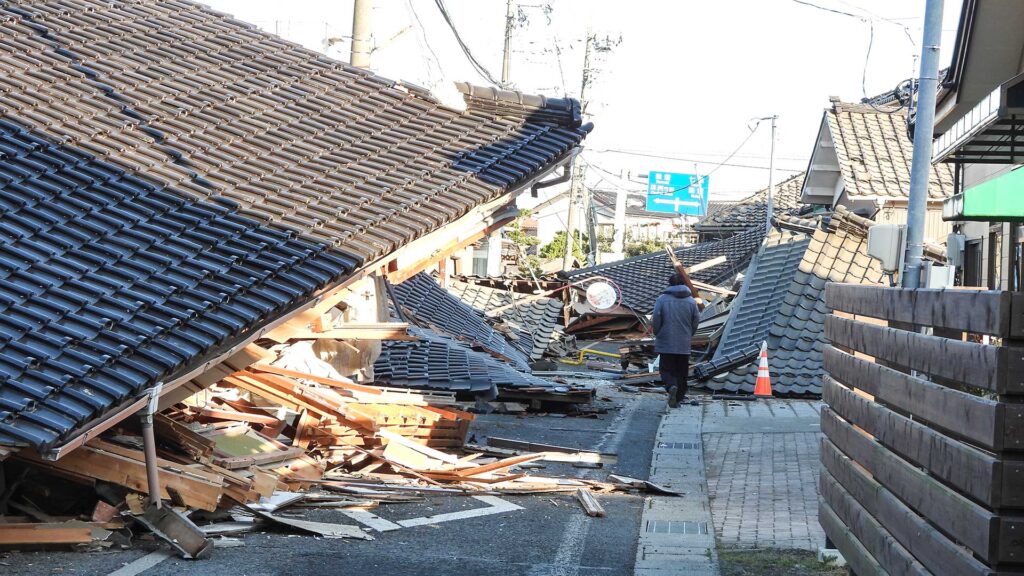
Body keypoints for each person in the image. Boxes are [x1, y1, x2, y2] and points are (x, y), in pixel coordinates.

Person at [652, 273, 701, 408]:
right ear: (684, 285)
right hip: (683, 342)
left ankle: (671, 386)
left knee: (666, 369)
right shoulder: (691, 301)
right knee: (682, 372)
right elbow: (696, 321)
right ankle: (678, 399)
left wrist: (657, 332)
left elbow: (656, 318)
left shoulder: (662, 299)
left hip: (666, 341)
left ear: (670, 284)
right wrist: (689, 334)